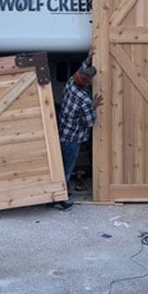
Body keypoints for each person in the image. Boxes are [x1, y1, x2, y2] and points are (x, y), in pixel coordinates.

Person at [53, 51, 103, 210]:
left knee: (59, 166)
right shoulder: (84, 99)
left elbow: (81, 70)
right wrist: (93, 106)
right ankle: (60, 199)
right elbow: (89, 122)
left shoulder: (70, 82)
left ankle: (54, 195)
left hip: (63, 132)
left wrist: (88, 59)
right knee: (67, 170)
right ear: (87, 82)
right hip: (73, 139)